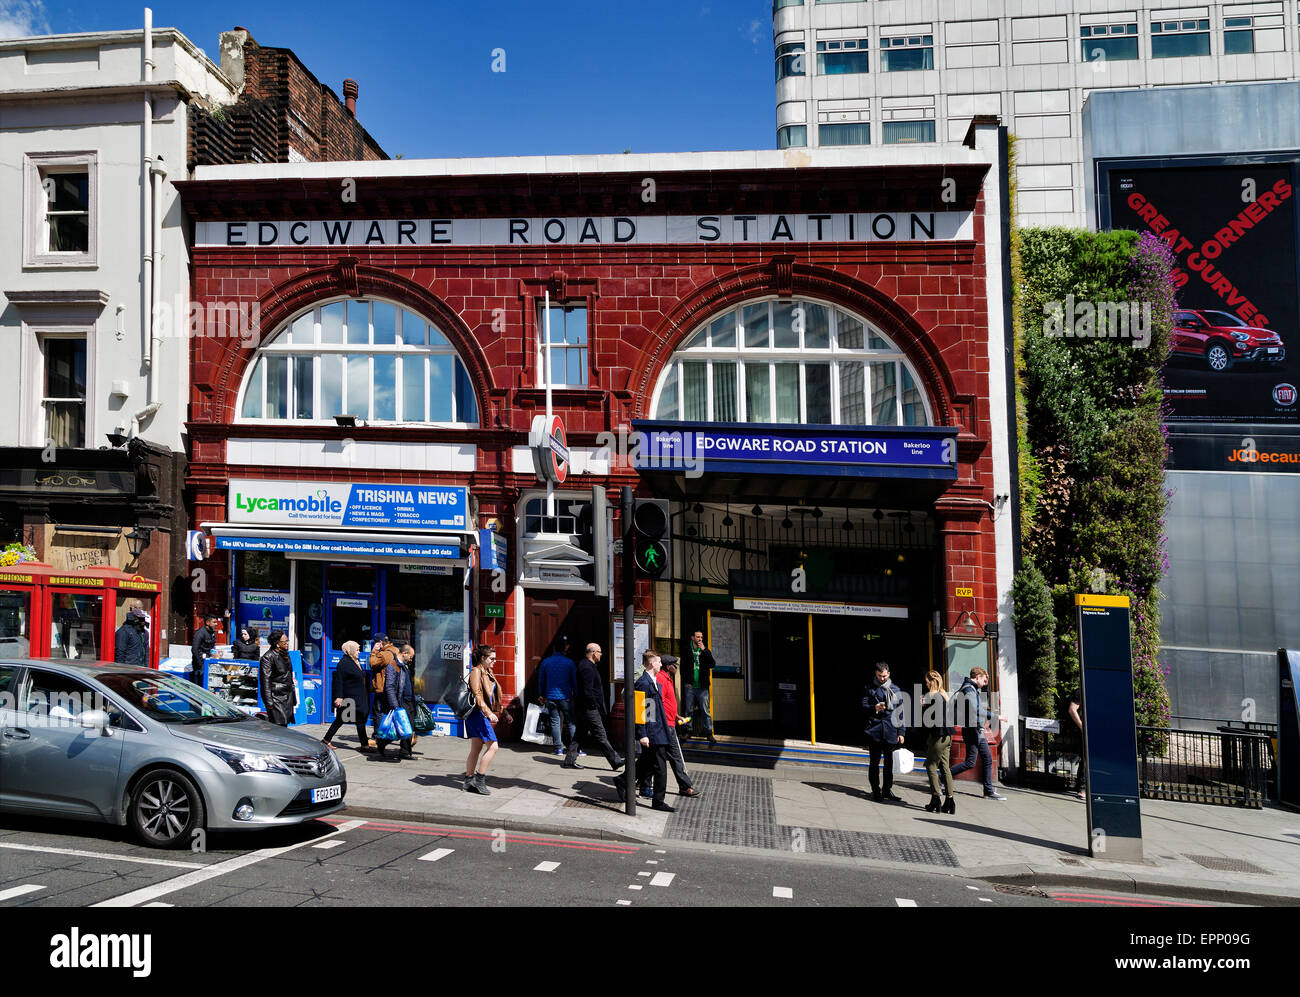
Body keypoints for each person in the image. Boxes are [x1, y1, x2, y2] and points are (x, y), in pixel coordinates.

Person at [617, 651, 674, 812]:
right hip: (654, 732)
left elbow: (655, 708)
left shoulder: (654, 681)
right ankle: (658, 801)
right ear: (651, 664)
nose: (661, 665)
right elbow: (642, 711)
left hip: (659, 729)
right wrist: (643, 735)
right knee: (660, 768)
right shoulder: (643, 682)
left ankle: (622, 780)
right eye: (658, 662)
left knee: (646, 763)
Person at [563, 643, 624, 771]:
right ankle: (615, 761)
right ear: (594, 653)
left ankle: (569, 760)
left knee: (579, 734)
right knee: (601, 734)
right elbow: (587, 690)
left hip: (584, 707)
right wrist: (593, 705)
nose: (601, 654)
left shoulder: (588, 665)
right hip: (588, 708)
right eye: (600, 652)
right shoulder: (587, 667)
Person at [950, 666, 1007, 800]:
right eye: (984, 679)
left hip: (976, 730)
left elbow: (977, 705)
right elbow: (976, 710)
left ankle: (988, 791)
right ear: (977, 677)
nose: (985, 682)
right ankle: (942, 777)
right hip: (972, 730)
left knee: (986, 759)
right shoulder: (969, 690)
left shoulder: (972, 688)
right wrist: (997, 717)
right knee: (970, 762)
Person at [654, 655, 702, 798]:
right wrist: (667, 722)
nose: (677, 668)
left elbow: (667, 703)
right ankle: (685, 786)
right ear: (669, 667)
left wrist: (676, 716)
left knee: (652, 759)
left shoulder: (667, 679)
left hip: (669, 722)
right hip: (666, 726)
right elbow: (659, 703)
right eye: (675, 665)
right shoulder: (662, 679)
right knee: (676, 757)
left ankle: (628, 780)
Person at [863, 661, 906, 803]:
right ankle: (876, 790)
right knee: (874, 763)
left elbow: (901, 713)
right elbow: (863, 706)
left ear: (889, 674)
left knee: (889, 764)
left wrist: (901, 732)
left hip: (891, 730)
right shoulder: (869, 688)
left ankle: (887, 790)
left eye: (885, 676)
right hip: (875, 730)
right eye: (880, 676)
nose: (883, 678)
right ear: (876, 674)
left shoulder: (895, 689)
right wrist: (874, 707)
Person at [463, 644, 502, 794]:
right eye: (492, 658)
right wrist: (488, 713)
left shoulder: (488, 672)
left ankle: (468, 780)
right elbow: (477, 694)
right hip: (478, 714)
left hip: (480, 714)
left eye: (495, 658)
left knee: (476, 748)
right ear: (483, 658)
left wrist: (504, 713)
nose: (495, 661)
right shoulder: (476, 672)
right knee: (493, 746)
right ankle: (479, 780)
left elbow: (494, 696)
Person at [323, 640, 372, 751]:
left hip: (358, 697)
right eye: (357, 650)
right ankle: (326, 740)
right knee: (341, 719)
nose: (359, 652)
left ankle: (364, 745)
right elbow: (339, 681)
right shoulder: (344, 663)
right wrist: (339, 697)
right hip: (349, 697)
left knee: (360, 720)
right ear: (350, 650)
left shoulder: (355, 661)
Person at [919, 670, 956, 814]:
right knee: (945, 767)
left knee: (931, 765)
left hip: (938, 736)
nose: (925, 684)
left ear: (930, 682)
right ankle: (950, 801)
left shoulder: (932, 697)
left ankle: (936, 798)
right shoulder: (944, 695)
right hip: (948, 736)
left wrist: (923, 706)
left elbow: (930, 720)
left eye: (926, 681)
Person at [537, 636, 578, 757]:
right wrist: (576, 694)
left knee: (555, 722)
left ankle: (559, 748)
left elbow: (541, 680)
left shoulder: (546, 662)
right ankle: (573, 748)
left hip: (550, 697)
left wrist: (541, 694)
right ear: (564, 649)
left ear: (554, 648)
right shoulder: (569, 663)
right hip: (566, 697)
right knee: (571, 722)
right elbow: (574, 681)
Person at [376, 644, 415, 761]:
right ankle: (382, 742)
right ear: (405, 654)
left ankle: (405, 751)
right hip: (400, 701)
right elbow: (389, 687)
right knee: (398, 728)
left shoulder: (404, 666)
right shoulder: (393, 666)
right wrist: (395, 705)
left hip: (409, 701)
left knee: (409, 727)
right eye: (411, 656)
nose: (411, 659)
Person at [680, 630, 716, 745]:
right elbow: (682, 668)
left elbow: (712, 664)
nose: (700, 639)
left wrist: (704, 650)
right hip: (690, 687)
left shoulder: (705, 651)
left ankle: (709, 733)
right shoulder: (687, 650)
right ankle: (687, 731)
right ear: (692, 638)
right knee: (688, 710)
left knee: (706, 711)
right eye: (697, 637)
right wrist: (686, 682)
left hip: (702, 687)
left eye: (701, 637)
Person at [258, 629, 297, 726]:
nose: (287, 643)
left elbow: (288, 674)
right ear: (277, 644)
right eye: (285, 642)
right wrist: (269, 702)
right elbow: (265, 681)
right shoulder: (268, 657)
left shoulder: (285, 654)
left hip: (287, 695)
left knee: (285, 724)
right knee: (279, 725)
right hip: (276, 697)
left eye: (287, 641)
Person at [368, 635, 397, 741]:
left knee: (378, 712)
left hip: (382, 688)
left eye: (375, 642)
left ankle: (378, 736)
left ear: (380, 642)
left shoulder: (385, 654)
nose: (374, 644)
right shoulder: (395, 650)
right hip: (391, 688)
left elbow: (372, 663)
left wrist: (374, 651)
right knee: (388, 711)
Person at [114, 601, 149, 666]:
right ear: (130, 608)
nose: (138, 609)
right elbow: (120, 653)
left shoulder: (144, 632)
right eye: (135, 607)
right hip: (129, 669)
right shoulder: (124, 631)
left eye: (140, 608)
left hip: (141, 669)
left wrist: (147, 668)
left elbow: (146, 653)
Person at [190, 614, 220, 686]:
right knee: (198, 686)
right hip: (200, 665)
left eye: (216, 622)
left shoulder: (212, 633)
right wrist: (201, 664)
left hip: (209, 662)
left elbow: (211, 647)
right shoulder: (200, 633)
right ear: (207, 622)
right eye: (214, 622)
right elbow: (194, 649)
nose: (216, 624)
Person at [1067, 687, 1086, 799]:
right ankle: (1082, 788)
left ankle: (1085, 788)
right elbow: (1072, 709)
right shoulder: (1080, 691)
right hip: (1084, 730)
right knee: (1085, 758)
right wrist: (1082, 726)